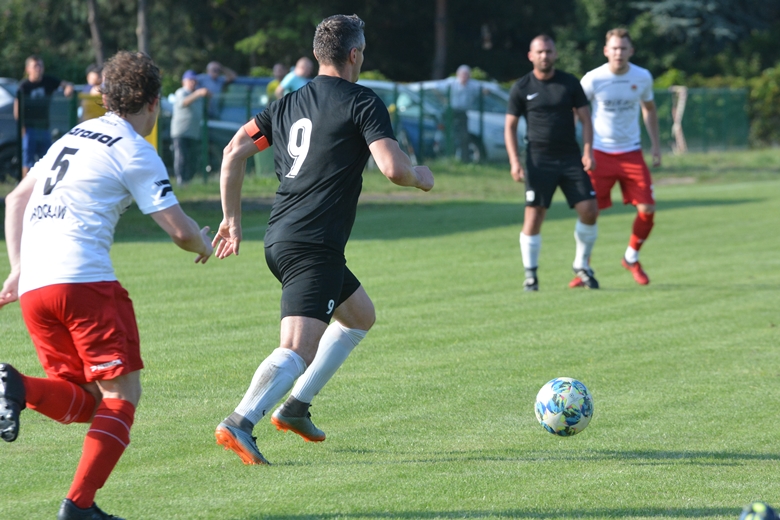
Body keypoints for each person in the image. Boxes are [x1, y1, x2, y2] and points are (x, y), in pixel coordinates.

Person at [212, 14, 434, 465]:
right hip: (313, 245)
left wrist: (231, 220)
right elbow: (393, 168)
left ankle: (296, 407)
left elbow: (232, 151)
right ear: (355, 55)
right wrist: (421, 177)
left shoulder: (285, 104)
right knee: (296, 348)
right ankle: (241, 420)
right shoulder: (363, 102)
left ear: (317, 55)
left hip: (284, 236)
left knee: (359, 317)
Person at [0, 51, 213, 520]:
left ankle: (14, 385)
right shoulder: (135, 149)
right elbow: (179, 230)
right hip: (82, 283)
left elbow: (16, 200)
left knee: (86, 401)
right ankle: (78, 507)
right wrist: (204, 240)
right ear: (154, 103)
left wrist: (18, 268)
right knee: (121, 397)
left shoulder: (68, 138)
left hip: (37, 286)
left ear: (104, 96)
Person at [504, 35, 599, 291]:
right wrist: (515, 161)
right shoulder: (522, 87)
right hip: (538, 160)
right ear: (531, 55)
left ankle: (581, 265)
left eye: (549, 51)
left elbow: (586, 119)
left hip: (570, 157)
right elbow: (510, 126)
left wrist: (588, 151)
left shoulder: (569, 83)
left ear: (555, 54)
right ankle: (531, 275)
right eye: (540, 52)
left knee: (590, 209)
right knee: (534, 217)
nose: (544, 56)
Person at [580, 28, 661, 285]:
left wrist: (656, 146)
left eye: (623, 48)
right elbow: (578, 113)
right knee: (590, 213)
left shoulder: (642, 76)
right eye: (614, 48)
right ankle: (583, 268)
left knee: (647, 209)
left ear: (631, 51)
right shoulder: (593, 79)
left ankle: (631, 257)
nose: (618, 53)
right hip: (599, 154)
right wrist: (580, 148)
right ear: (606, 51)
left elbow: (649, 109)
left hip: (631, 153)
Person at [14, 55, 74, 177]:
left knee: (47, 159)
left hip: (44, 127)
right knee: (28, 160)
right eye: (35, 66)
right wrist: (21, 127)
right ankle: (24, 188)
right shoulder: (24, 86)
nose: (38, 69)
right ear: (28, 69)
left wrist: (68, 88)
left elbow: (66, 84)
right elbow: (17, 109)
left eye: (40, 65)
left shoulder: (48, 81)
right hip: (29, 128)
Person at [171, 69, 210, 185]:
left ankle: (188, 180)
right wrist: (198, 93)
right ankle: (181, 180)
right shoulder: (181, 92)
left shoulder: (197, 96)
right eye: (190, 80)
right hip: (181, 132)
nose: (193, 83)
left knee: (191, 158)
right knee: (181, 157)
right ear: (184, 82)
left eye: (194, 81)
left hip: (193, 132)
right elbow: (184, 102)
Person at [446, 65, 481, 161]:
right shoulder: (451, 83)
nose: (464, 76)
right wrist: (442, 99)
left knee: (464, 136)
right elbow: (434, 86)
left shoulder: (472, 85)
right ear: (458, 74)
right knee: (449, 134)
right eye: (463, 74)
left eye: (466, 74)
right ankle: (449, 157)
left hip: (463, 113)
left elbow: (486, 88)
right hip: (451, 113)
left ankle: (464, 158)